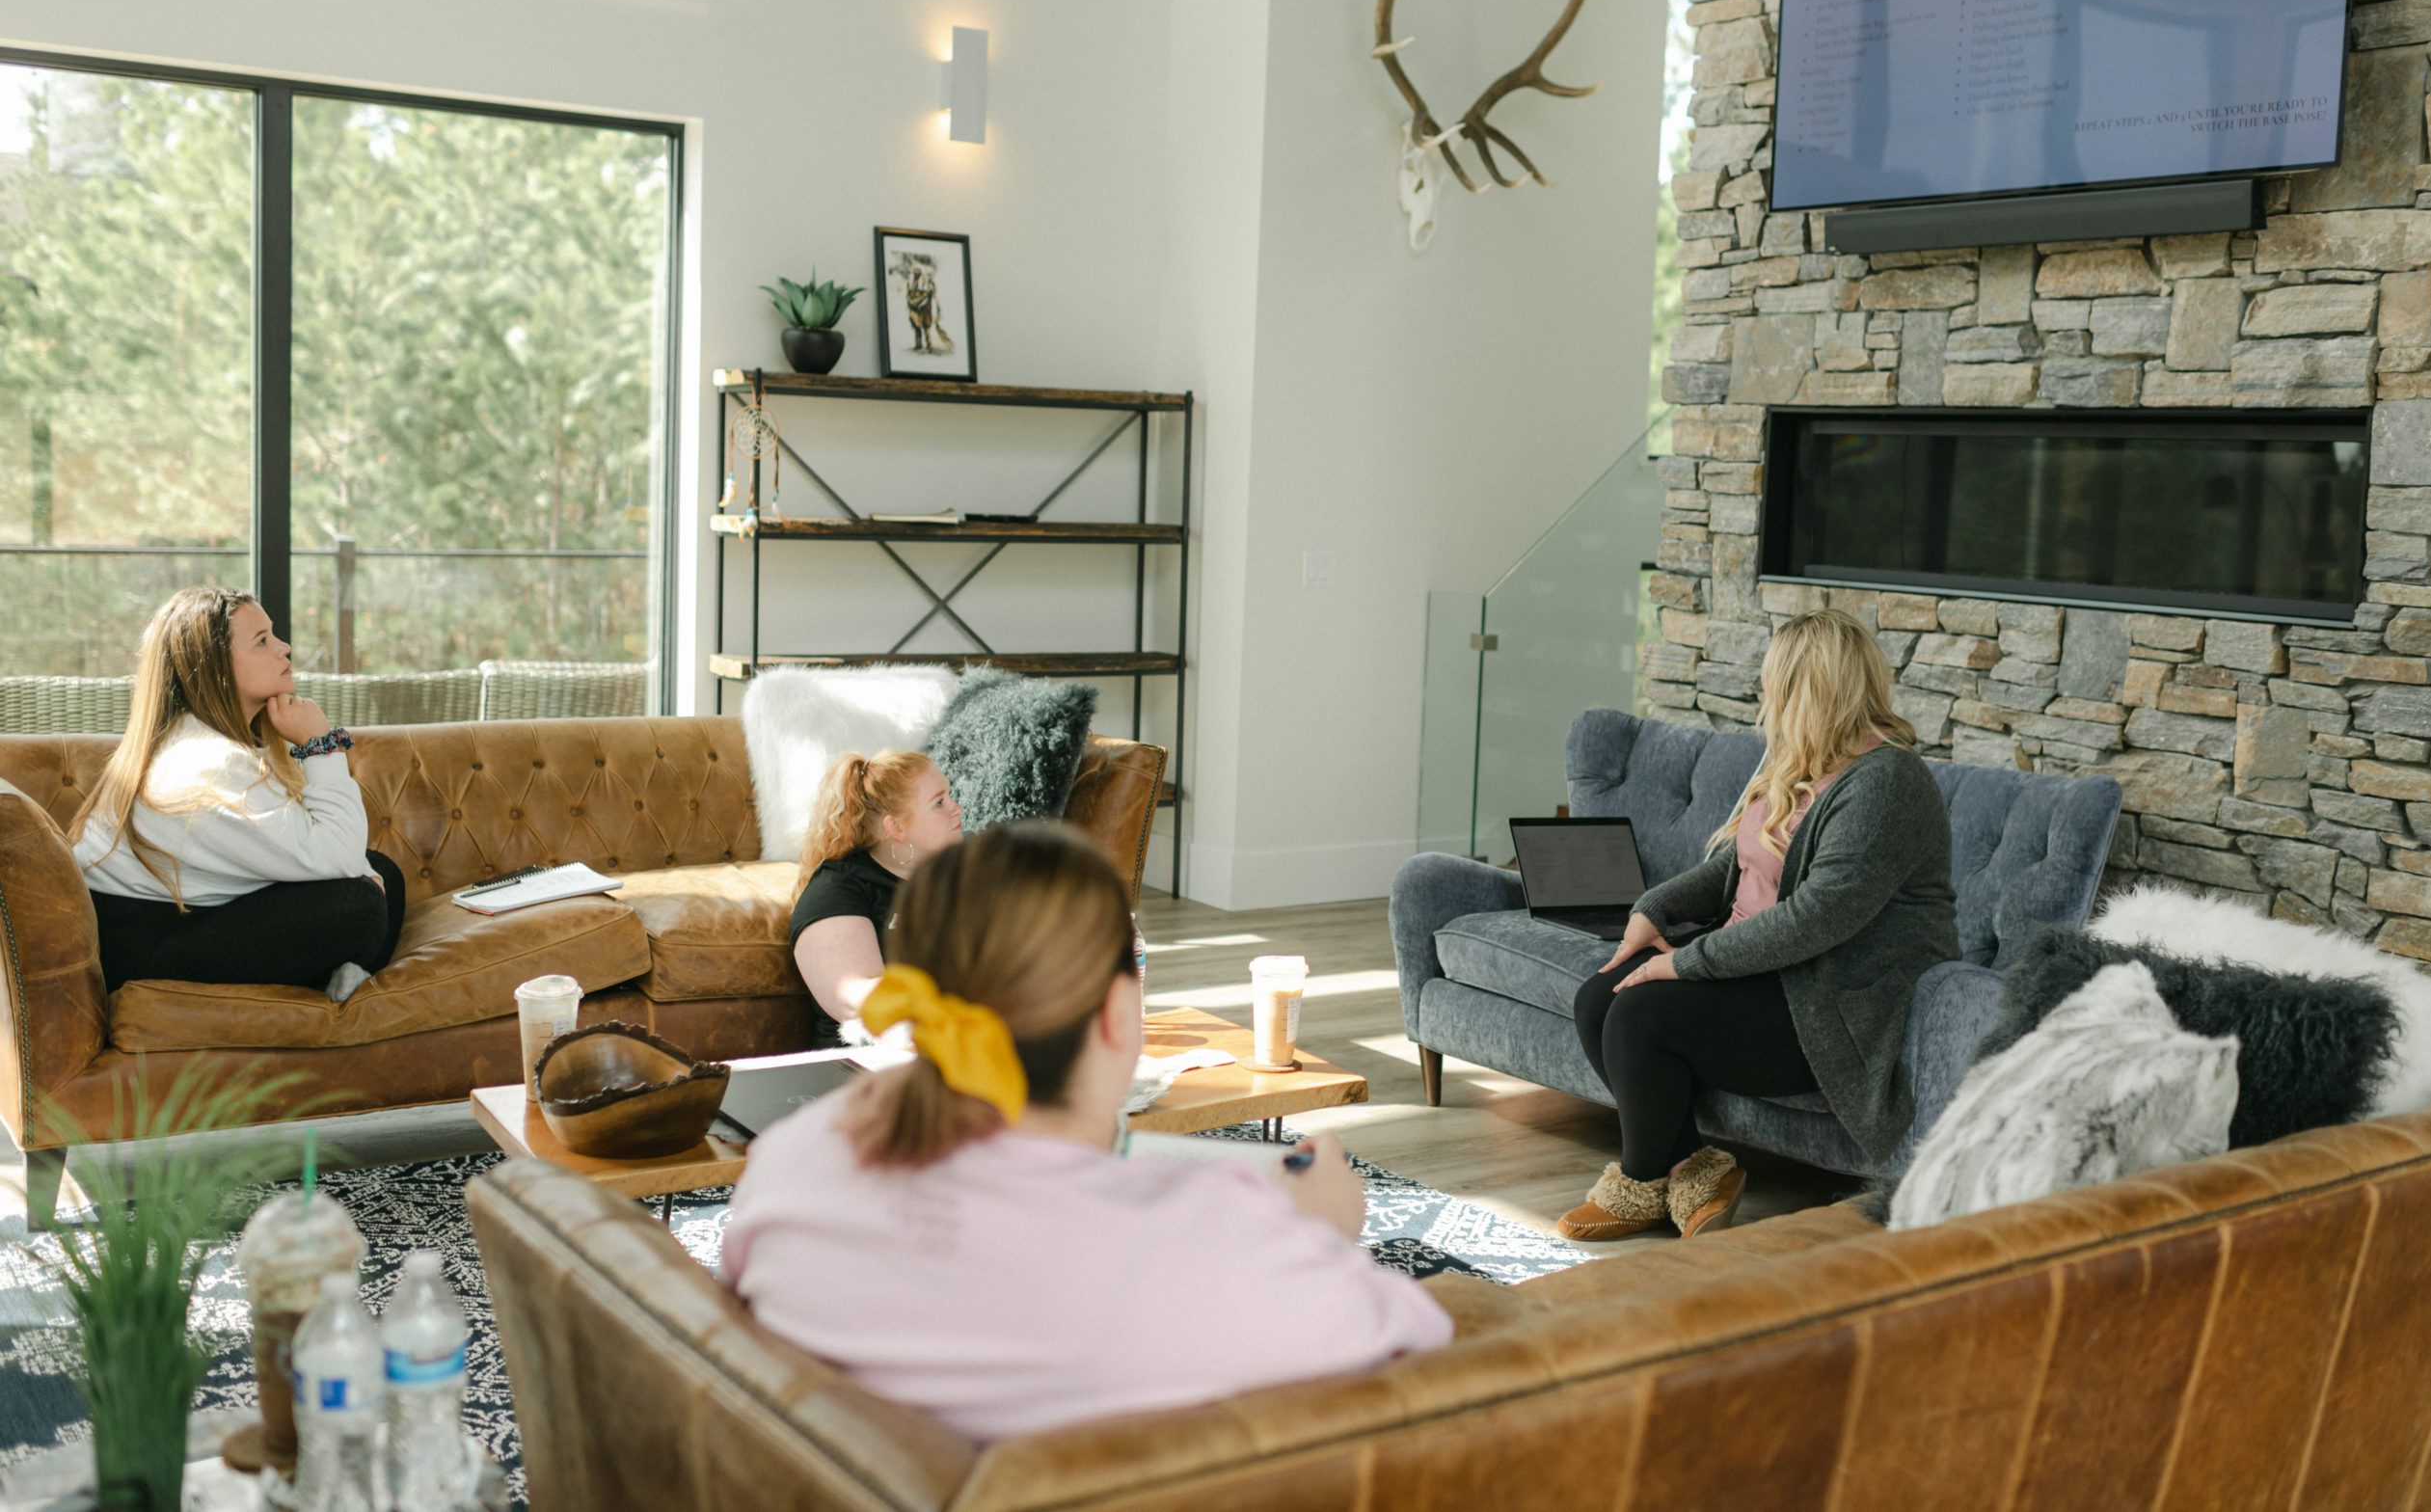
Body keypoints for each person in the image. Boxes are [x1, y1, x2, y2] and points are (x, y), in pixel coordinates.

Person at [724, 821, 1451, 1440]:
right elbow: (1426, 1346)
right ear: (1115, 1014)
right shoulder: (1209, 1250)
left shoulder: (792, 1162)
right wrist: (1320, 1229)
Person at [1556, 607, 1958, 1243]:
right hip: (1760, 970)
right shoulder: (1797, 759)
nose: (1761, 691)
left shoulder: (1887, 783)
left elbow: (1812, 920)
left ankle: (1640, 1182)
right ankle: (1694, 1166)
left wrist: (1683, 961)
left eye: (1770, 678)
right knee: (1596, 998)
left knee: (1640, 1014)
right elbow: (1730, 868)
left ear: (1809, 685)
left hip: (1824, 1002)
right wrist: (1651, 912)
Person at [71, 586, 403, 997]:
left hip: (186, 916)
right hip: (147, 946)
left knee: (383, 873)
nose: (285, 649)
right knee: (362, 906)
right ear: (217, 668)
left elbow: (337, 856)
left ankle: (340, 976)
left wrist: (361, 871)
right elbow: (336, 855)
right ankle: (341, 981)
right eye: (262, 641)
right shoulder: (207, 763)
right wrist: (322, 745)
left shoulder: (214, 743)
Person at [788, 749, 966, 1037]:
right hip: (868, 1067)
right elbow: (862, 1003)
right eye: (939, 802)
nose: (957, 808)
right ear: (895, 827)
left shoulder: (960, 875)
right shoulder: (835, 892)